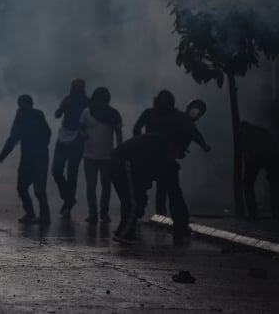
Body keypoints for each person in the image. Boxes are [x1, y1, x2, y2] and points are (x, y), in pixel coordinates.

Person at [133, 91, 210, 215]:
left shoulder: (174, 116)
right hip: (154, 156)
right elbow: (137, 128)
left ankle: (158, 213)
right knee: (155, 187)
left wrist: (140, 144)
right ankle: (147, 211)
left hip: (161, 157)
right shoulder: (164, 115)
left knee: (160, 187)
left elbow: (193, 132)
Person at [110, 133, 183, 244]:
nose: (175, 156)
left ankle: (127, 232)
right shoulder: (157, 148)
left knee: (133, 202)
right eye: (177, 153)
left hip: (122, 164)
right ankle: (123, 234)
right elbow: (144, 170)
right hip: (125, 163)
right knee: (132, 203)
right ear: (173, 145)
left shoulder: (156, 145)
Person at [0, 94, 52, 225]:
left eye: (25, 104)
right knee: (22, 187)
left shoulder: (37, 115)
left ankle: (44, 216)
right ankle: (30, 213)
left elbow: (47, 133)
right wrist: (3, 154)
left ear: (31, 104)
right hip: (27, 158)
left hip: (39, 158)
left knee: (39, 190)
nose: (23, 107)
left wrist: (40, 147)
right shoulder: (21, 117)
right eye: (21, 105)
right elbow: (13, 137)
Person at [79, 87, 122, 223]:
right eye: (100, 100)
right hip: (89, 155)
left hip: (107, 156)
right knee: (91, 185)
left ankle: (104, 212)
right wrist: (83, 134)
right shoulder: (87, 112)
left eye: (105, 100)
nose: (102, 102)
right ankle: (92, 213)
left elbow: (118, 133)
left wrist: (119, 150)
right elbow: (80, 128)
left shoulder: (113, 114)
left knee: (106, 186)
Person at [52, 79, 90, 220]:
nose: (76, 89)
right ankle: (68, 197)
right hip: (64, 136)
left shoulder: (88, 102)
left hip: (78, 138)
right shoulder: (67, 99)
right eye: (74, 86)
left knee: (72, 172)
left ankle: (68, 205)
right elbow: (57, 114)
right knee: (56, 170)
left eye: (78, 87)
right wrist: (63, 107)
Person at [239, 120, 279, 219]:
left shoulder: (244, 133)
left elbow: (246, 151)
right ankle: (276, 212)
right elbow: (273, 144)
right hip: (271, 157)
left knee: (247, 183)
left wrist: (248, 161)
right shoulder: (261, 130)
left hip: (256, 158)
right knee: (274, 184)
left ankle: (253, 213)